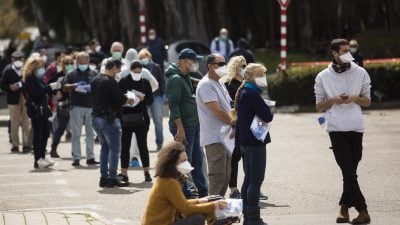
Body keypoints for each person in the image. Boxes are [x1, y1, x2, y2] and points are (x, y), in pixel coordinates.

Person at [314, 38, 371, 224]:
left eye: (349, 50)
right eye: (344, 50)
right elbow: (319, 107)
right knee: (347, 169)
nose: (348, 53)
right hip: (335, 128)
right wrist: (333, 100)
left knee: (350, 171)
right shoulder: (323, 76)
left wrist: (354, 98)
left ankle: (344, 207)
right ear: (334, 53)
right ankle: (363, 210)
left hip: (356, 126)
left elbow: (367, 101)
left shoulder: (360, 72)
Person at [141, 141, 228, 225]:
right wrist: (213, 206)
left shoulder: (165, 178)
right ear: (172, 163)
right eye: (183, 161)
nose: (186, 163)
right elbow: (185, 209)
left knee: (198, 215)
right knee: (197, 219)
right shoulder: (169, 182)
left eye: (186, 160)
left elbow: (182, 203)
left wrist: (202, 200)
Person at [165, 48, 208, 198]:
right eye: (194, 60)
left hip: (192, 124)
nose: (196, 64)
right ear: (184, 61)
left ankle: (203, 191)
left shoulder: (185, 76)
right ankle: (183, 191)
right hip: (184, 126)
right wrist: (180, 129)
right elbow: (173, 104)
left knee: (197, 158)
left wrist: (206, 82)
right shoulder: (175, 79)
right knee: (184, 160)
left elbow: (194, 82)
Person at [233, 63, 272, 225]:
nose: (264, 77)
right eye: (261, 74)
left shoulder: (245, 91)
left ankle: (247, 215)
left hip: (246, 141)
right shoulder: (252, 93)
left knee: (249, 179)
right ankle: (253, 217)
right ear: (253, 77)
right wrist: (267, 102)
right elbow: (267, 116)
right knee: (255, 180)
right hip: (254, 142)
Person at [91, 59, 135, 187]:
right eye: (118, 70)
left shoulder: (95, 80)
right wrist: (130, 99)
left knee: (105, 148)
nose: (118, 72)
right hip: (109, 120)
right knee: (115, 149)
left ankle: (104, 177)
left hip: (96, 118)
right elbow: (120, 99)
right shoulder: (110, 82)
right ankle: (112, 177)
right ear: (114, 68)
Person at [196, 53, 232, 197]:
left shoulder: (220, 82)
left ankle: (220, 213)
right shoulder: (206, 84)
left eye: (225, 63)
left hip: (225, 137)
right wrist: (234, 121)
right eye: (221, 64)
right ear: (210, 66)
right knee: (217, 178)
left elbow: (227, 108)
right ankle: (213, 215)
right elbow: (217, 111)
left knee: (225, 177)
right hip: (214, 138)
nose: (224, 67)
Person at [118, 60, 153, 183]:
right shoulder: (123, 81)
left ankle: (147, 172)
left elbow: (150, 100)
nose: (137, 73)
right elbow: (118, 99)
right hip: (126, 117)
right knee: (125, 146)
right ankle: (124, 173)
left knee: (143, 145)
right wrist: (127, 99)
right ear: (130, 70)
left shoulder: (145, 82)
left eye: (139, 71)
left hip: (141, 118)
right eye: (135, 71)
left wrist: (143, 99)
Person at [62, 52, 98, 166]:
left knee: (90, 134)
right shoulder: (72, 74)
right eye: (80, 62)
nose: (82, 64)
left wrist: (91, 88)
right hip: (76, 106)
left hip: (91, 107)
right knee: (76, 134)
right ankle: (76, 157)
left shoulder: (94, 73)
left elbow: (100, 86)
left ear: (88, 62)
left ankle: (90, 157)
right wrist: (74, 85)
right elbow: (64, 87)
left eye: (84, 62)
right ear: (77, 62)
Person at [22, 56, 58, 169]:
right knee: (38, 135)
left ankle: (42, 157)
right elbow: (35, 93)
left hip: (43, 109)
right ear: (34, 68)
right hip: (36, 109)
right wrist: (49, 88)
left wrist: (53, 87)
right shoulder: (29, 79)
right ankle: (37, 160)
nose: (42, 69)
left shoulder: (40, 78)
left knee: (46, 133)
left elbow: (44, 90)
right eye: (40, 67)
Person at [220, 56, 246, 198]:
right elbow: (227, 105)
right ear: (235, 67)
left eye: (245, 66)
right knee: (234, 158)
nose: (243, 68)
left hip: (247, 126)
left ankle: (250, 186)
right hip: (234, 125)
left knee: (248, 157)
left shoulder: (246, 83)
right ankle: (233, 188)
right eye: (241, 66)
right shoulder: (228, 84)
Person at [0, 51, 32, 153]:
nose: (18, 61)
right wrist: (10, 87)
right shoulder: (8, 70)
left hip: (26, 98)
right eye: (15, 59)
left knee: (26, 122)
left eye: (20, 58)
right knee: (14, 123)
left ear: (23, 59)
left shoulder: (27, 69)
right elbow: (2, 85)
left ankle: (26, 144)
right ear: (12, 59)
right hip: (13, 100)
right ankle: (15, 144)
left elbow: (32, 82)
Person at [138, 48, 165, 150]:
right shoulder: (138, 68)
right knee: (143, 121)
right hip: (143, 97)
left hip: (156, 96)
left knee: (158, 120)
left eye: (145, 57)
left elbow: (161, 81)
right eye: (141, 58)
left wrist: (163, 96)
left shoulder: (156, 66)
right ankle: (142, 143)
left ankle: (159, 143)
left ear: (149, 57)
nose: (143, 59)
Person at [48, 55, 74, 158]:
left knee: (75, 130)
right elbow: (48, 86)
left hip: (75, 104)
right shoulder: (59, 76)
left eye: (71, 63)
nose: (69, 65)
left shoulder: (75, 74)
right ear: (63, 65)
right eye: (67, 64)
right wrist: (56, 92)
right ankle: (53, 148)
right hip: (63, 106)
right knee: (61, 128)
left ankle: (75, 152)